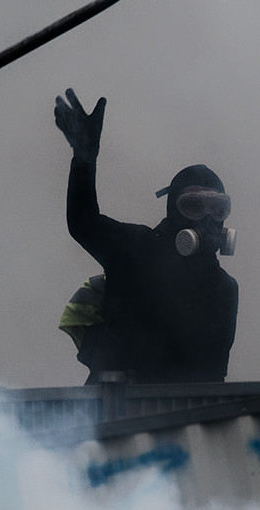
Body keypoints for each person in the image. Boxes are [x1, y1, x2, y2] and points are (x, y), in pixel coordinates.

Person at [53, 88, 238, 383]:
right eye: (192, 206)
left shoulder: (225, 288)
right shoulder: (136, 250)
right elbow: (82, 223)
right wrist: (84, 158)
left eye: (217, 208)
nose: (206, 219)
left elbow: (214, 375)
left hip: (188, 419)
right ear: (173, 210)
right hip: (118, 411)